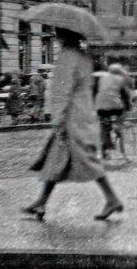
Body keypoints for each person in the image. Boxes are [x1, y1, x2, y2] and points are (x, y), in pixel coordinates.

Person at [23, 28, 124, 221]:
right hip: (85, 113)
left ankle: (111, 198)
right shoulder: (84, 56)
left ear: (63, 37)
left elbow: (62, 91)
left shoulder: (67, 57)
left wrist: (57, 118)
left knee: (85, 160)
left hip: (71, 117)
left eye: (57, 34)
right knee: (56, 158)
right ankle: (41, 202)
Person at [95, 63, 132, 156]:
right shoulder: (120, 79)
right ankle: (117, 127)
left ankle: (105, 144)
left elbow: (97, 91)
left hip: (100, 106)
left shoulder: (102, 79)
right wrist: (128, 106)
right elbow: (124, 95)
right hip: (115, 107)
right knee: (120, 119)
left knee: (103, 126)